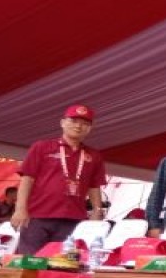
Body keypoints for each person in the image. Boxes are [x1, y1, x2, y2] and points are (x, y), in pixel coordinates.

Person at [11, 105, 107, 254]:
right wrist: (20, 209)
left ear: (90, 128)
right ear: (62, 122)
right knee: (30, 262)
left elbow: (94, 186)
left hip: (74, 219)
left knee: (63, 264)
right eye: (73, 121)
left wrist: (97, 210)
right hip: (38, 216)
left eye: (85, 123)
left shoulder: (94, 155)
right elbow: (27, 179)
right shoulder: (42, 147)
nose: (78, 126)